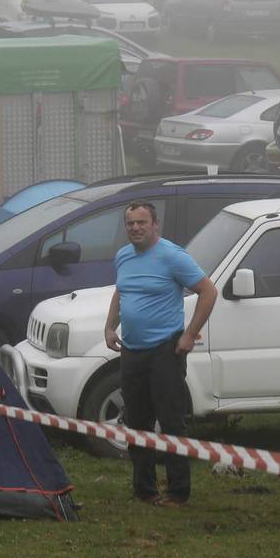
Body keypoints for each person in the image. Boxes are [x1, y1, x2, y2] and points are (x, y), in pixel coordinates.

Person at [103, 202, 217, 507]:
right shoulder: (124, 255)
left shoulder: (172, 256)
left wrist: (189, 334)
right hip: (132, 351)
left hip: (165, 351)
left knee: (170, 421)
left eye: (142, 223)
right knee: (137, 421)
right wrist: (109, 326)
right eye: (130, 224)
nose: (136, 228)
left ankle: (178, 492)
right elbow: (121, 290)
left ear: (156, 225)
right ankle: (144, 489)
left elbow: (209, 292)